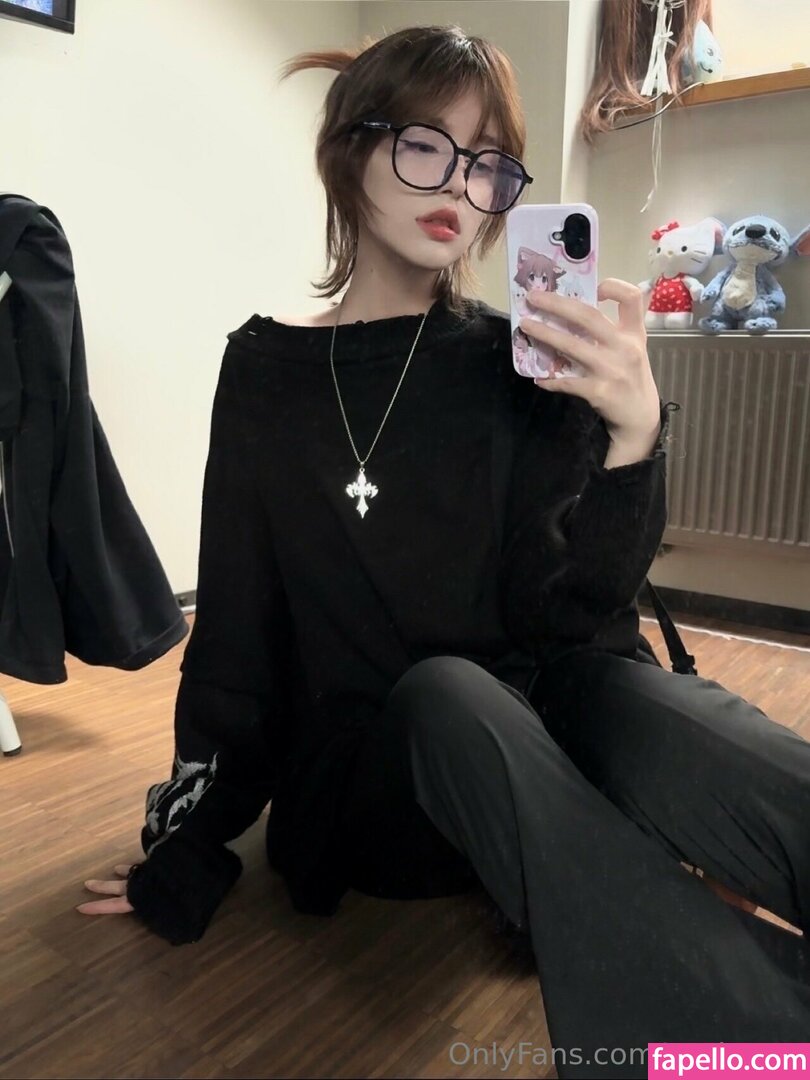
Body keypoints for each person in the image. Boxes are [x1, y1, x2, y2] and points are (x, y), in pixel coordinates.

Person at [76, 25, 810, 1079]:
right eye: (426, 145)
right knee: (449, 691)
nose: (460, 188)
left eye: (487, 164)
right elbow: (237, 627)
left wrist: (632, 441)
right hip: (382, 787)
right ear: (349, 149)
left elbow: (573, 618)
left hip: (530, 758)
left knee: (634, 696)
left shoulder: (518, 362)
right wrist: (191, 841)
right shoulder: (266, 372)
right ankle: (752, 1044)